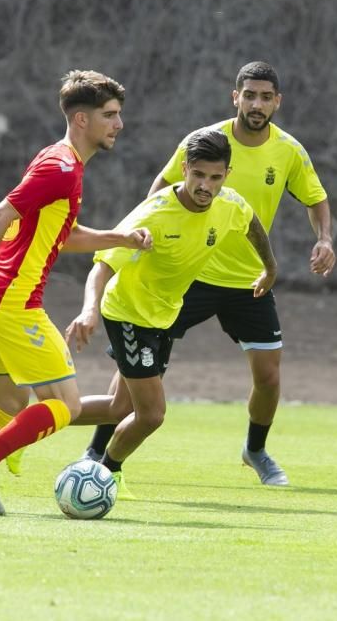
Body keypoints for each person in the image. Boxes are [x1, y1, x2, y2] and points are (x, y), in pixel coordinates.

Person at [78, 61, 336, 490]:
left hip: (246, 281)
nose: (256, 104)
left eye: (265, 97)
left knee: (270, 377)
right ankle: (98, 448)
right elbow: (160, 191)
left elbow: (312, 198)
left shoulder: (288, 150)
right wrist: (161, 243)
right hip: (189, 277)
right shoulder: (205, 143)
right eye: (248, 95)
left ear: (277, 102)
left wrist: (323, 239)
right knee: (137, 373)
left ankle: (256, 451)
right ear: (235, 97)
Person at [0, 69, 152, 516]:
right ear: (81, 120)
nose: (118, 124)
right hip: (11, 300)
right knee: (65, 404)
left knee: (7, 404)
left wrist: (119, 239)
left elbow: (64, 233)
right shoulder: (60, 168)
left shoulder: (61, 162)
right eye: (110, 115)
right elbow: (2, 212)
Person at [65, 127, 278, 494]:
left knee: (119, 409)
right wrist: (89, 311)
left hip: (163, 316)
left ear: (226, 175)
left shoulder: (230, 203)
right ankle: (106, 473)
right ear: (184, 169)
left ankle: (33, 416)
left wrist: (270, 268)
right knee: (151, 415)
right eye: (198, 175)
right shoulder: (155, 213)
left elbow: (251, 225)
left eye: (215, 177)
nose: (205, 186)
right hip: (129, 313)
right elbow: (102, 266)